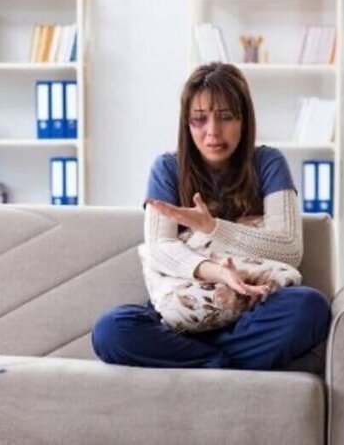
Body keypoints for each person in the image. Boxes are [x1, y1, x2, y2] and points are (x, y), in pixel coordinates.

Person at [91, 63, 331, 370]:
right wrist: (218, 273)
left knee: (310, 307)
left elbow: (288, 249)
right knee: (111, 331)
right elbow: (160, 249)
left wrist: (213, 228)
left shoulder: (268, 163)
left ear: (244, 119)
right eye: (199, 119)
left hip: (252, 312)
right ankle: (219, 361)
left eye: (226, 117)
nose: (212, 132)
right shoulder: (167, 168)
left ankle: (205, 363)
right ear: (187, 124)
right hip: (182, 317)